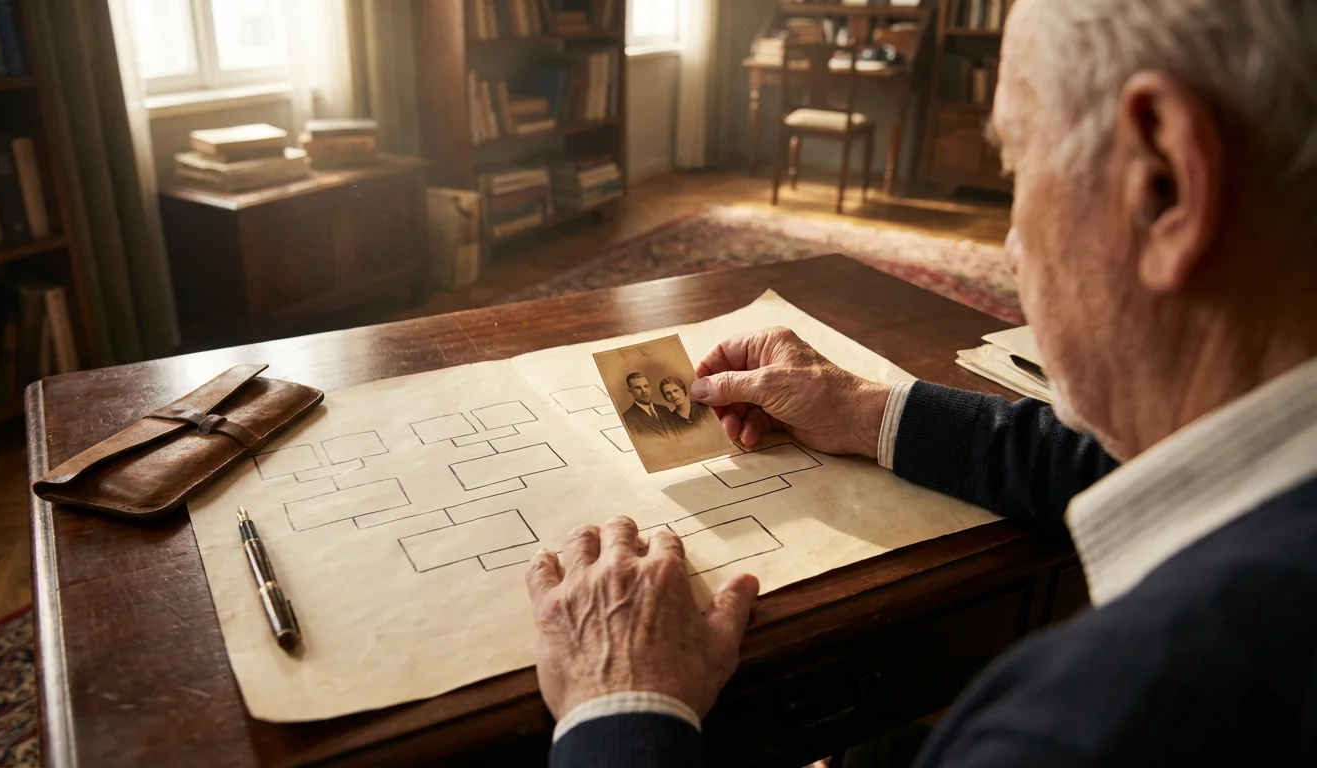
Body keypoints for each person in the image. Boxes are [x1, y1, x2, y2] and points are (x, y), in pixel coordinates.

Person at [525, 0, 1317, 765]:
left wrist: (619, 711)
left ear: (1164, 185)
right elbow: (1105, 465)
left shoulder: (1086, 727)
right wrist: (866, 411)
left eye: (1018, 165)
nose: (1010, 247)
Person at [619, 372, 678, 439]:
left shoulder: (664, 409)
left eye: (646, 386)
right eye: (638, 388)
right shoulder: (627, 418)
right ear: (629, 390)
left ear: (650, 387)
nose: (644, 391)